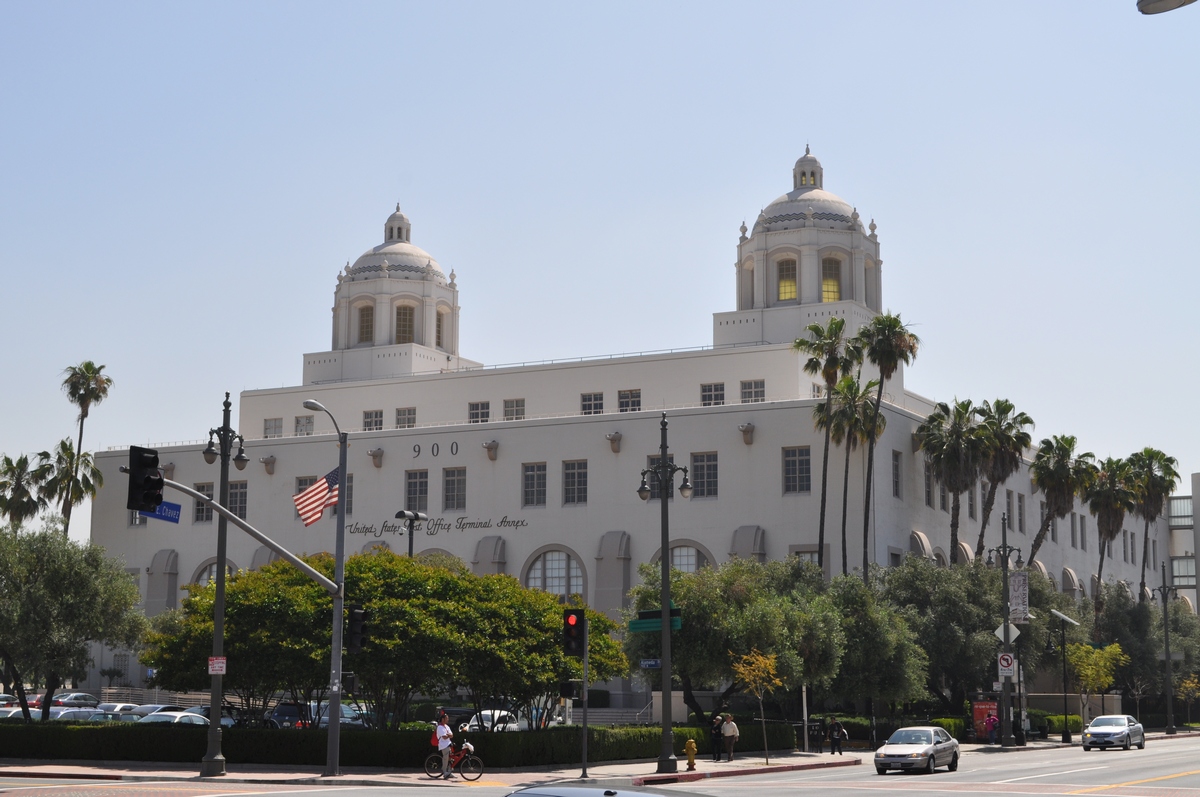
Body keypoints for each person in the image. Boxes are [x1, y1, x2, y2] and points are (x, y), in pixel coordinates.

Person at [436, 713, 455, 778]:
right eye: (447, 718)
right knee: (446, 758)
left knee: (451, 759)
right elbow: (444, 737)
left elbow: (451, 735)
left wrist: (448, 735)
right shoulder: (439, 727)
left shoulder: (447, 726)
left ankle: (449, 772)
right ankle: (444, 772)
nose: (448, 719)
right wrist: (448, 735)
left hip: (449, 744)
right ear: (443, 719)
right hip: (443, 745)